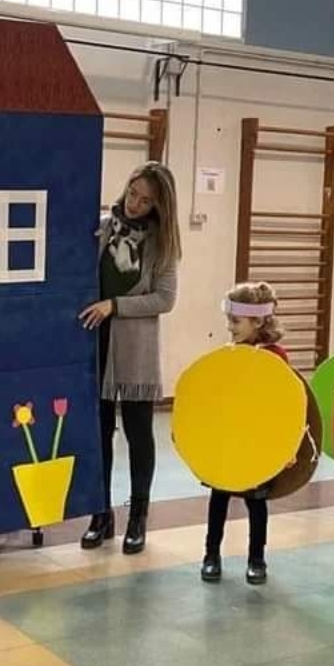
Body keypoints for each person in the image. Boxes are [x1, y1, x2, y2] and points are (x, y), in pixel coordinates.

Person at [79, 162, 181, 555]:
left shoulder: (161, 245)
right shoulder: (104, 228)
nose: (134, 203)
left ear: (159, 206)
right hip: (96, 344)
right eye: (132, 193)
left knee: (139, 435)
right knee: (98, 432)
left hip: (136, 348)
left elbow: (165, 299)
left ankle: (137, 517)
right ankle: (99, 513)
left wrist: (115, 305)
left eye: (145, 200)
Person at [201, 282, 287, 586]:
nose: (229, 327)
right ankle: (211, 555)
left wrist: (285, 447)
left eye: (235, 321)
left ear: (258, 321)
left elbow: (284, 404)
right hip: (228, 441)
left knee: (256, 501)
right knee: (219, 497)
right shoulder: (230, 354)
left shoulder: (275, 357)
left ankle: (257, 558)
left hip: (256, 445)